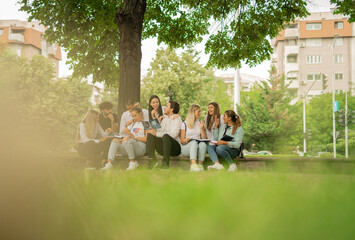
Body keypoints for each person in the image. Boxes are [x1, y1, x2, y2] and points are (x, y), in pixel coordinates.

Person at [102, 103, 148, 171]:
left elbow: (146, 139)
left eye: (135, 115)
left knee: (126, 139)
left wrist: (132, 136)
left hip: (140, 148)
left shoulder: (146, 124)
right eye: (132, 116)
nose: (134, 118)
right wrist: (121, 139)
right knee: (115, 140)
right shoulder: (132, 124)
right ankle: (109, 163)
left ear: (140, 113)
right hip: (129, 146)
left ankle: (133, 162)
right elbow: (124, 134)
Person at [146, 100, 182, 169]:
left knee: (165, 136)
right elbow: (159, 131)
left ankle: (165, 164)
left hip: (175, 148)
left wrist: (156, 133)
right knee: (150, 134)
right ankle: (152, 161)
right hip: (164, 147)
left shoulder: (177, 119)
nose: (164, 107)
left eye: (167, 106)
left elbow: (173, 135)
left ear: (172, 109)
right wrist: (154, 118)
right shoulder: (165, 119)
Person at [180, 104, 207, 172]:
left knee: (203, 144)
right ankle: (193, 165)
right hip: (186, 149)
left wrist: (202, 128)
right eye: (198, 111)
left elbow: (204, 138)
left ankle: (200, 165)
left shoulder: (199, 123)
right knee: (193, 142)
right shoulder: (184, 124)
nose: (200, 113)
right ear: (193, 112)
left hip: (197, 148)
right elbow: (182, 141)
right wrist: (186, 140)